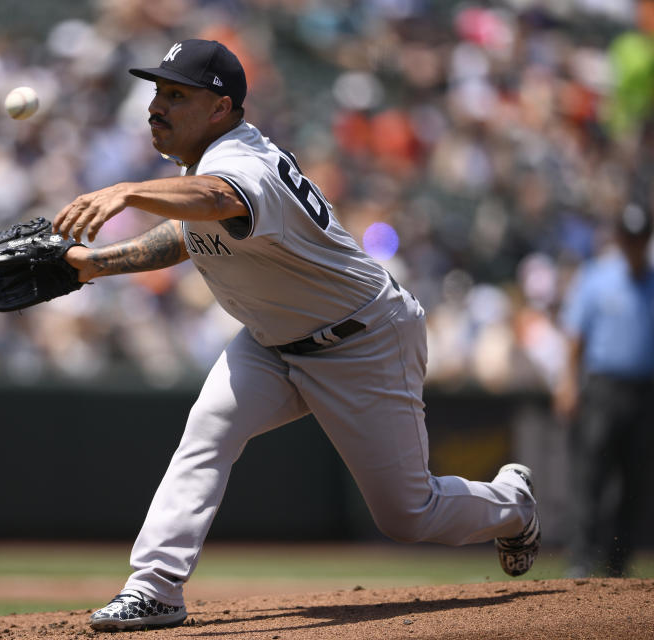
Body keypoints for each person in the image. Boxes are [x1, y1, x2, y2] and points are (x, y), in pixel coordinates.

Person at [53, 39, 540, 631]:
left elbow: (218, 199)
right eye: (157, 91)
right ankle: (155, 587)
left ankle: (513, 504)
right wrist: (95, 263)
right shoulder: (203, 168)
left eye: (176, 95)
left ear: (219, 107)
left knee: (408, 516)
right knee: (208, 430)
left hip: (362, 341)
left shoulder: (243, 164)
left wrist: (126, 191)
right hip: (271, 342)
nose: (157, 106)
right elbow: (191, 231)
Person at [553, 202, 654, 578]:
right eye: (629, 238)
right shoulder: (597, 277)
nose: (634, 246)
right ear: (619, 239)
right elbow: (575, 337)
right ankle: (581, 557)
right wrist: (568, 382)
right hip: (603, 388)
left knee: (634, 480)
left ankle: (618, 562)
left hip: (645, 391)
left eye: (640, 238)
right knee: (590, 475)